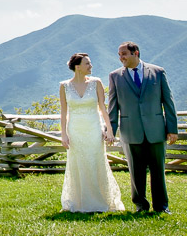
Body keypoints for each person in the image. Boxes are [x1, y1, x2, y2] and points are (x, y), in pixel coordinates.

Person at [107, 41, 178, 214]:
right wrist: (111, 131)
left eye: (124, 53)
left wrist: (172, 128)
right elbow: (113, 107)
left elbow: (168, 101)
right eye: (119, 54)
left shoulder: (157, 72)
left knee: (158, 172)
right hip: (130, 131)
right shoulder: (115, 76)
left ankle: (162, 206)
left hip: (156, 130)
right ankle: (140, 205)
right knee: (136, 173)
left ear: (135, 53)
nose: (121, 57)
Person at [59, 53, 125, 213]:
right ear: (77, 67)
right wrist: (64, 134)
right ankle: (79, 201)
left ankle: (100, 200)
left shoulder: (96, 83)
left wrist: (109, 130)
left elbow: (103, 108)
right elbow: (63, 112)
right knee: (78, 164)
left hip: (94, 129)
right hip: (75, 130)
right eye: (87, 63)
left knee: (96, 162)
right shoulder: (64, 86)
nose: (91, 66)